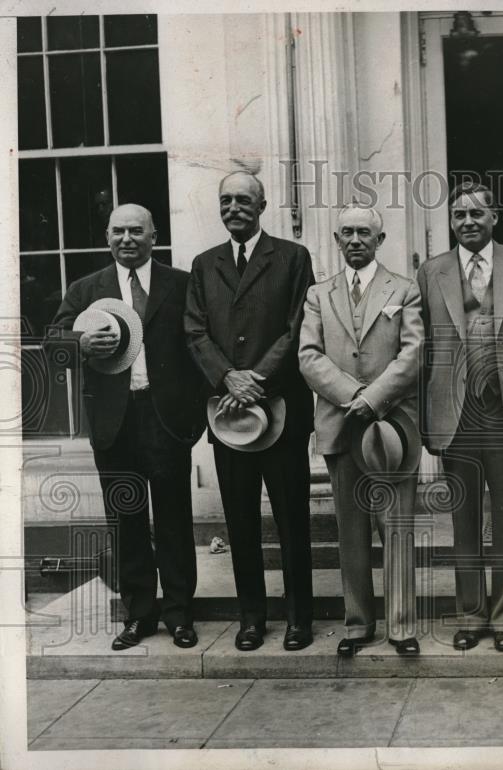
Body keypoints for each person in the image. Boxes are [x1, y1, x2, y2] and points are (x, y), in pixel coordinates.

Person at [49, 204, 205, 650]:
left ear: (154, 236)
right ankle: (139, 614)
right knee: (125, 518)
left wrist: (193, 416)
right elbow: (52, 343)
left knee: (174, 517)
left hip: (166, 420)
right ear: (107, 236)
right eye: (119, 231)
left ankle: (179, 613)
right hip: (114, 422)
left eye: (137, 231)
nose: (127, 239)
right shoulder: (87, 288)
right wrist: (78, 342)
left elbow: (199, 344)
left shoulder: (180, 284)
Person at [184, 171, 315, 652]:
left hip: (280, 408)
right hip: (228, 414)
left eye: (243, 200)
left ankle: (300, 617)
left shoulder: (292, 258)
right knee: (239, 519)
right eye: (225, 200)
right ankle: (252, 618)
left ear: (262, 205)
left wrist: (256, 376)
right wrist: (227, 378)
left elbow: (299, 323)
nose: (233, 207)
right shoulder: (204, 264)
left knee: (291, 516)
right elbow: (195, 330)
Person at [417, 182, 503, 653]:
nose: (468, 222)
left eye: (476, 214)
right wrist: (427, 422)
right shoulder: (432, 272)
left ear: (495, 217)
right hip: (457, 414)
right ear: (450, 222)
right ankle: (471, 614)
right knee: (463, 520)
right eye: (458, 215)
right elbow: (424, 350)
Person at [298, 205, 423, 657]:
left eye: (364, 233)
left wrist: (373, 399)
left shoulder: (404, 290)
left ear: (380, 239)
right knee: (351, 530)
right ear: (336, 239)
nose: (355, 240)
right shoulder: (318, 294)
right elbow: (309, 356)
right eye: (347, 232)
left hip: (393, 427)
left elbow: (412, 355)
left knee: (397, 527)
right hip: (340, 424)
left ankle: (403, 626)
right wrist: (352, 396)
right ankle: (357, 625)